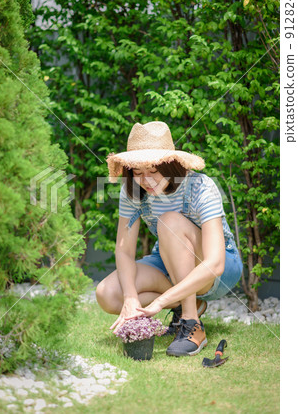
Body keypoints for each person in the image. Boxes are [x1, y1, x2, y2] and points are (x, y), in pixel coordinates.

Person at [96, 121, 243, 357]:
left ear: (171, 164)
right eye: (138, 172)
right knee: (107, 293)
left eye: (154, 171)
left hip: (218, 267)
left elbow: (215, 263)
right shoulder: (132, 191)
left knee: (169, 221)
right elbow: (123, 251)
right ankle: (188, 304)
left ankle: (191, 322)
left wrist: (160, 302)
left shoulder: (200, 187)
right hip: (167, 260)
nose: (147, 180)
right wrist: (130, 298)